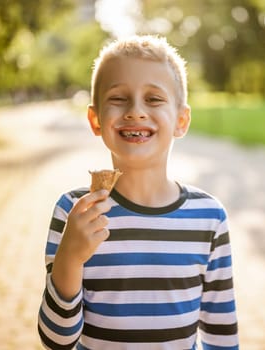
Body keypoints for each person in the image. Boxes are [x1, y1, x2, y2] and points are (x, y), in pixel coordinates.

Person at [38, 35, 239, 349]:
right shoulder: (75, 211)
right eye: (118, 98)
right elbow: (56, 340)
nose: (135, 111)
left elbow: (221, 334)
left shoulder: (209, 218)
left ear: (181, 120)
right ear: (95, 119)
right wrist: (70, 259)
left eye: (154, 99)